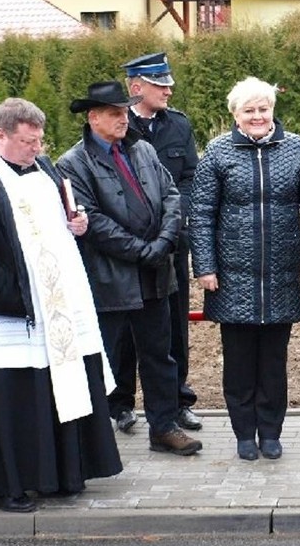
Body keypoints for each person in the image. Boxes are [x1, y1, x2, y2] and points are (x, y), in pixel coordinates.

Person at [0, 98, 122, 512]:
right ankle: (7, 485)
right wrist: (10, 290)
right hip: (10, 312)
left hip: (54, 309)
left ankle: (57, 474)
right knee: (14, 401)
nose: (36, 149)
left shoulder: (43, 170)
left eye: (39, 140)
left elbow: (63, 218)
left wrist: (77, 223)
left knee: (51, 394)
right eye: (27, 142)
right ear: (0, 136)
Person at [57, 80, 202, 457]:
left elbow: (171, 196)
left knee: (160, 354)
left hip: (155, 272)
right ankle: (92, 434)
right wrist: (143, 250)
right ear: (93, 118)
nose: (124, 119)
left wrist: (164, 242)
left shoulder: (144, 151)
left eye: (125, 112)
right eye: (114, 113)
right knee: (104, 356)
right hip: (111, 279)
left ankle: (164, 427)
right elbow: (94, 223)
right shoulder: (72, 163)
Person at [190, 76, 300, 462]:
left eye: (263, 109)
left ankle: (270, 432)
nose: (257, 116)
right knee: (238, 361)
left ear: (272, 110)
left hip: (281, 274)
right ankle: (242, 433)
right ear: (235, 114)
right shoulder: (217, 153)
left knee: (273, 361)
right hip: (231, 276)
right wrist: (205, 266)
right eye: (248, 110)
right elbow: (200, 214)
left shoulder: (295, 148)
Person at [110, 52, 202, 432]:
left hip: (170, 247)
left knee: (174, 326)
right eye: (159, 85)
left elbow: (187, 181)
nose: (167, 90)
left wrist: (171, 229)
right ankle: (120, 402)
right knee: (125, 328)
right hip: (125, 249)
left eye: (168, 84)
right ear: (136, 88)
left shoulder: (178, 126)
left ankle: (177, 400)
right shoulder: (114, 125)